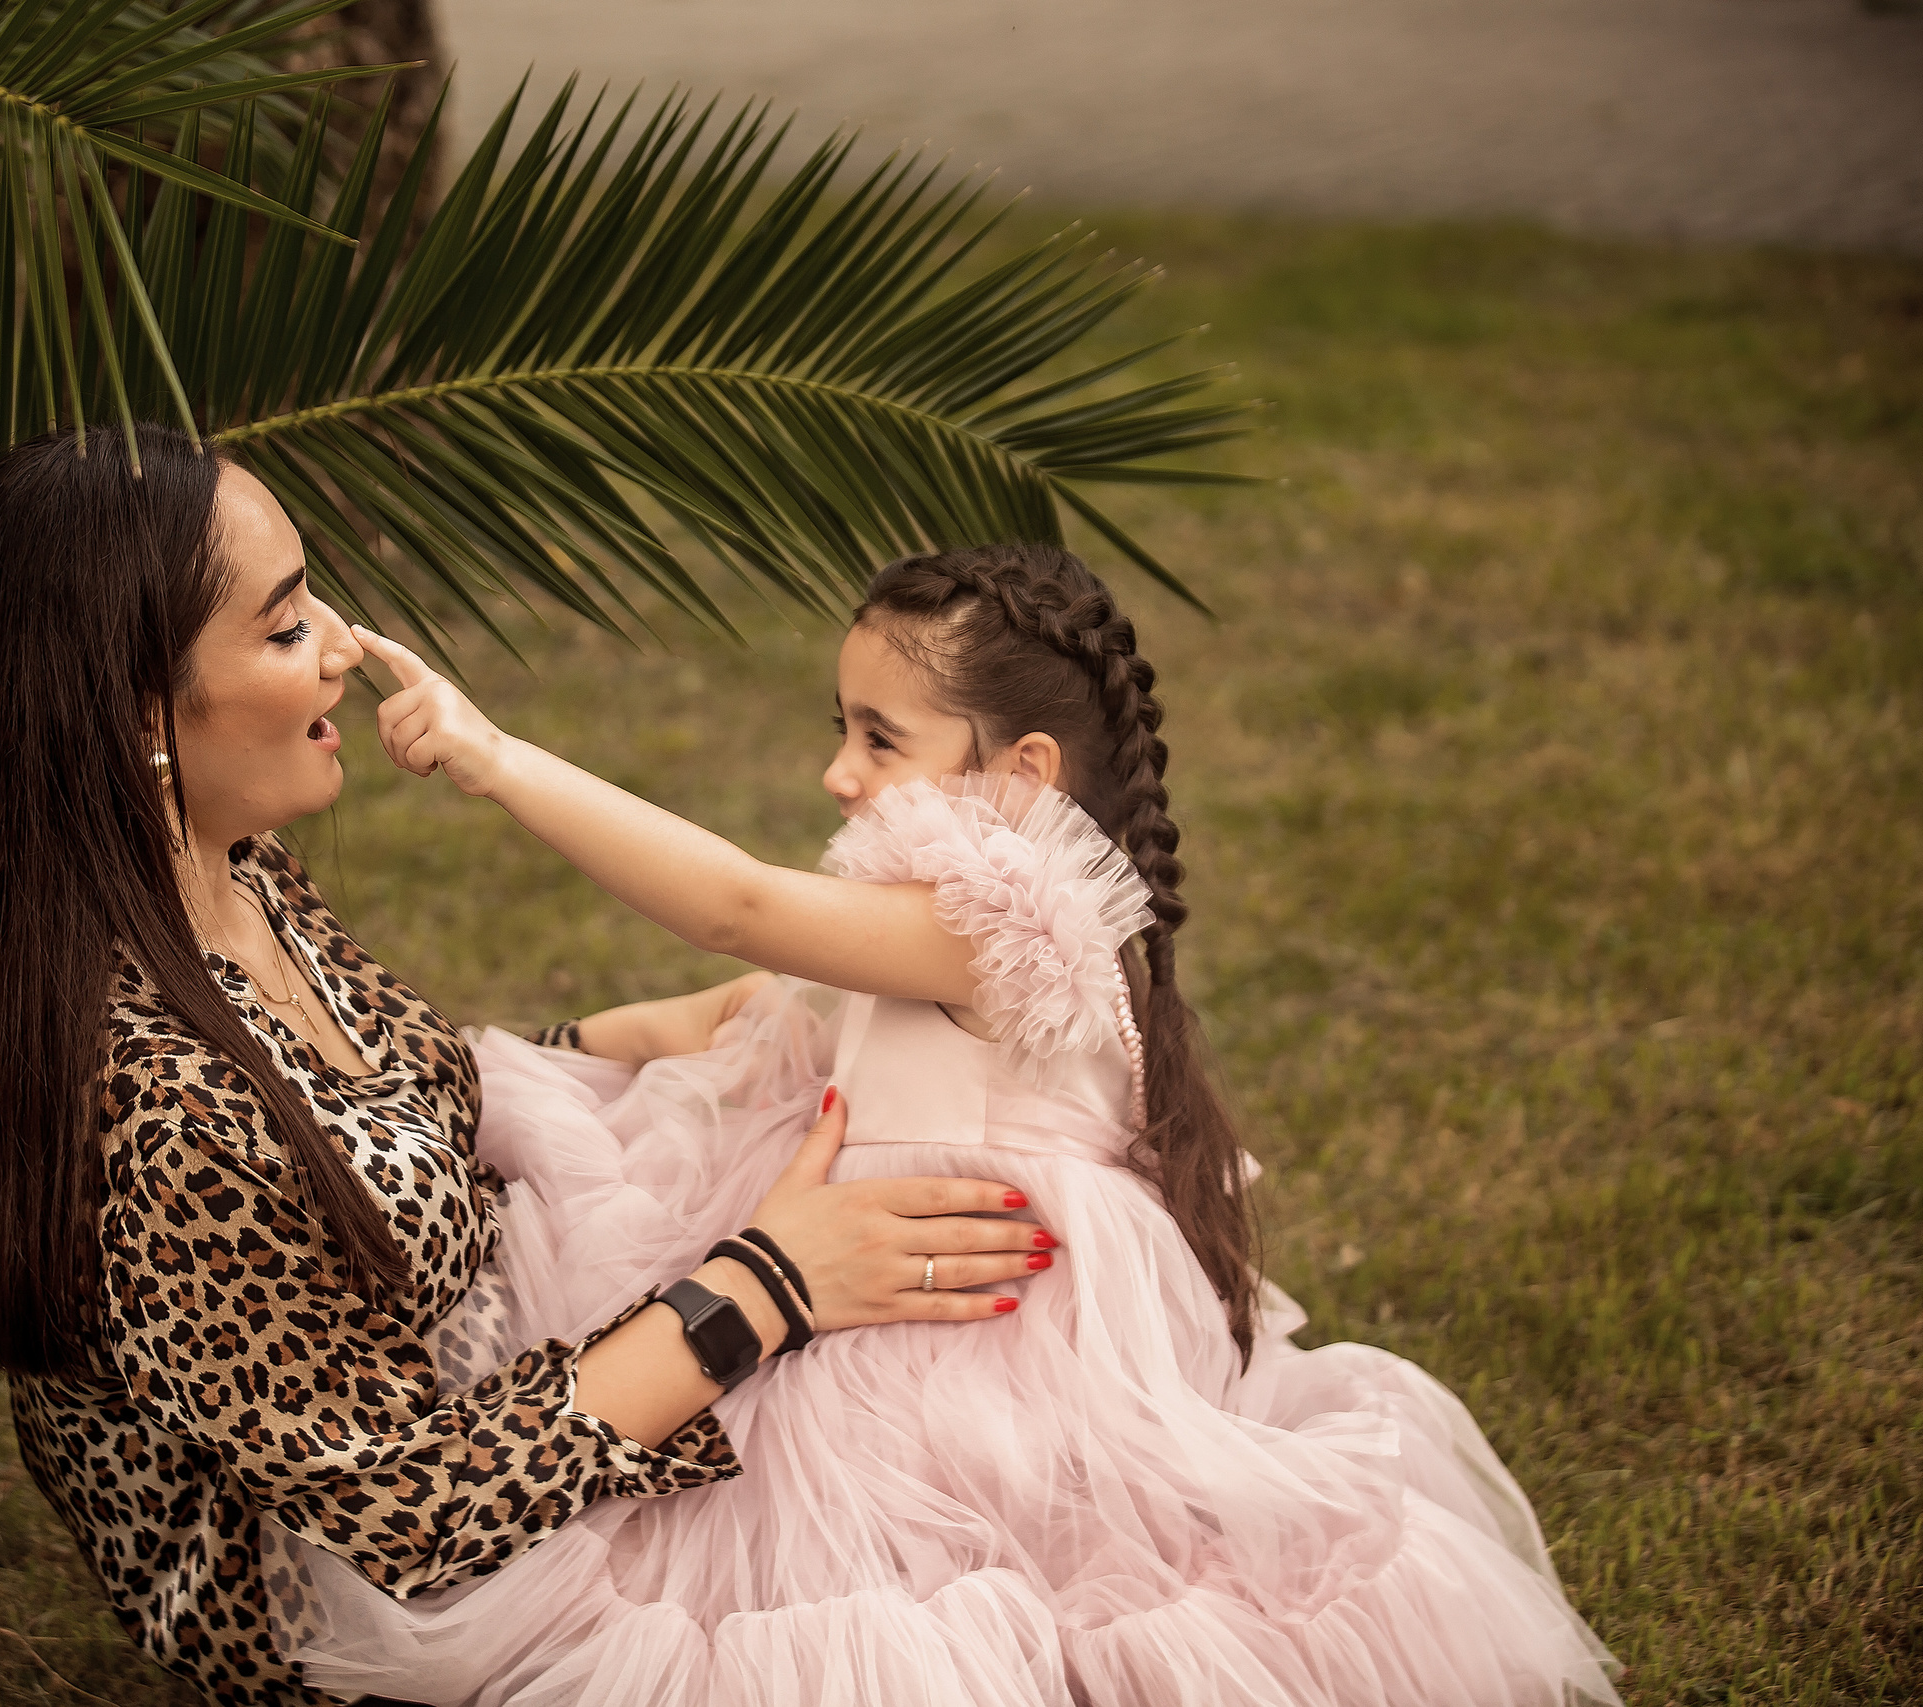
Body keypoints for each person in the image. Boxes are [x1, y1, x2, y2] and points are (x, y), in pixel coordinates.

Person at [275, 543, 1623, 1705]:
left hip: (947, 1353)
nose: (837, 771)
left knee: (886, 1588)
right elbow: (735, 1001)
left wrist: (499, 758)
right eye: (843, 728)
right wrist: (524, 1064)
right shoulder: (921, 922)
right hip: (856, 1275)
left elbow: (739, 908)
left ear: (1020, 769)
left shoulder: (1011, 926)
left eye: (879, 736)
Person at [0, 426, 1053, 1707]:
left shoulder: (213, 872)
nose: (344, 649)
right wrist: (767, 1286)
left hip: (494, 1400)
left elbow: (381, 1101)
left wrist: (654, 1033)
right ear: (145, 712)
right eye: (284, 626)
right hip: (369, 1608)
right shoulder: (159, 1108)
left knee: (944, 1438)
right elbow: (412, 1512)